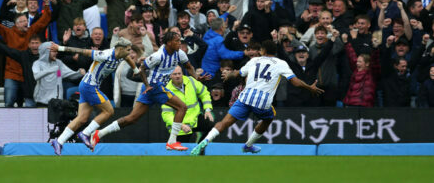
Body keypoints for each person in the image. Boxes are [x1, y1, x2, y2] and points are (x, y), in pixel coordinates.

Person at [190, 40, 324, 156]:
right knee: (268, 118)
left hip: (245, 97)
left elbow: (238, 73)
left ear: (263, 50)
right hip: (263, 101)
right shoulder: (280, 63)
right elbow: (294, 82)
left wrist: (228, 76)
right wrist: (309, 87)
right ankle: (248, 145)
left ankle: (206, 141)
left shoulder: (254, 60)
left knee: (225, 122)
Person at [90, 31, 209, 151]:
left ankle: (99, 134)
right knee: (182, 107)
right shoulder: (158, 56)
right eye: (177, 41)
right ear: (168, 43)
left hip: (152, 89)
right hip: (154, 86)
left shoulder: (180, 53)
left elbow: (189, 67)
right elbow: (141, 69)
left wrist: (197, 79)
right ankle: (172, 142)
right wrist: (147, 85)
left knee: (132, 118)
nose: (180, 43)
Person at [49, 36, 135, 155]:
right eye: (128, 49)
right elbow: (82, 51)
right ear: (120, 49)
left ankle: (59, 141)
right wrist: (60, 48)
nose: (130, 52)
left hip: (86, 85)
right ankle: (86, 133)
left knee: (82, 118)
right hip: (90, 86)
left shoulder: (121, 55)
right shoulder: (104, 54)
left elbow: (128, 59)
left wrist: (136, 70)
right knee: (109, 111)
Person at [0, 0, 51, 107]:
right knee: (9, 102)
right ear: (16, 24)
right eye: (22, 21)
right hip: (11, 74)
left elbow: (44, 20)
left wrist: (46, 5)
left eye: (26, 20)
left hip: (28, 74)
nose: (25, 22)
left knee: (27, 105)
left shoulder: (31, 31)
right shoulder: (8, 32)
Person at [0, 31, 42, 108]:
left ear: (41, 44)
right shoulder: (24, 56)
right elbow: (8, 51)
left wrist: (61, 46)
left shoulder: (47, 56)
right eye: (32, 43)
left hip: (44, 97)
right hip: (30, 97)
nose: (34, 45)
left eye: (36, 43)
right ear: (28, 45)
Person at [161, 66, 214, 149]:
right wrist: (181, 125)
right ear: (170, 76)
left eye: (179, 73)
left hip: (195, 119)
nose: (178, 76)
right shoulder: (167, 91)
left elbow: (204, 93)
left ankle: (199, 148)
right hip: (181, 126)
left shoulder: (191, 81)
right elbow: (167, 115)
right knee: (182, 153)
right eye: (175, 74)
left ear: (182, 74)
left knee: (212, 127)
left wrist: (207, 110)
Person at [32, 42, 85, 106]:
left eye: (56, 51)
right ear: (46, 52)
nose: (56, 53)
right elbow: (36, 76)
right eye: (54, 51)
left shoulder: (58, 63)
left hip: (57, 102)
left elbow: (70, 74)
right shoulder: (37, 64)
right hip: (42, 101)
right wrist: (51, 70)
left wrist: (79, 73)